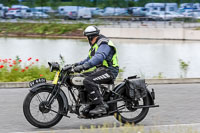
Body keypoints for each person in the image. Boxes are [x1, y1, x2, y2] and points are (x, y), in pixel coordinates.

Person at [73, 26, 119, 115]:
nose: (87, 40)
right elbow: (88, 59)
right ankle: (92, 103)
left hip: (110, 71)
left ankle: (101, 106)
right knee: (81, 78)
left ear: (91, 37)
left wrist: (84, 67)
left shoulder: (104, 43)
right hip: (101, 70)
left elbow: (99, 58)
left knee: (88, 81)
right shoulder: (96, 46)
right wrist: (76, 65)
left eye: (87, 38)